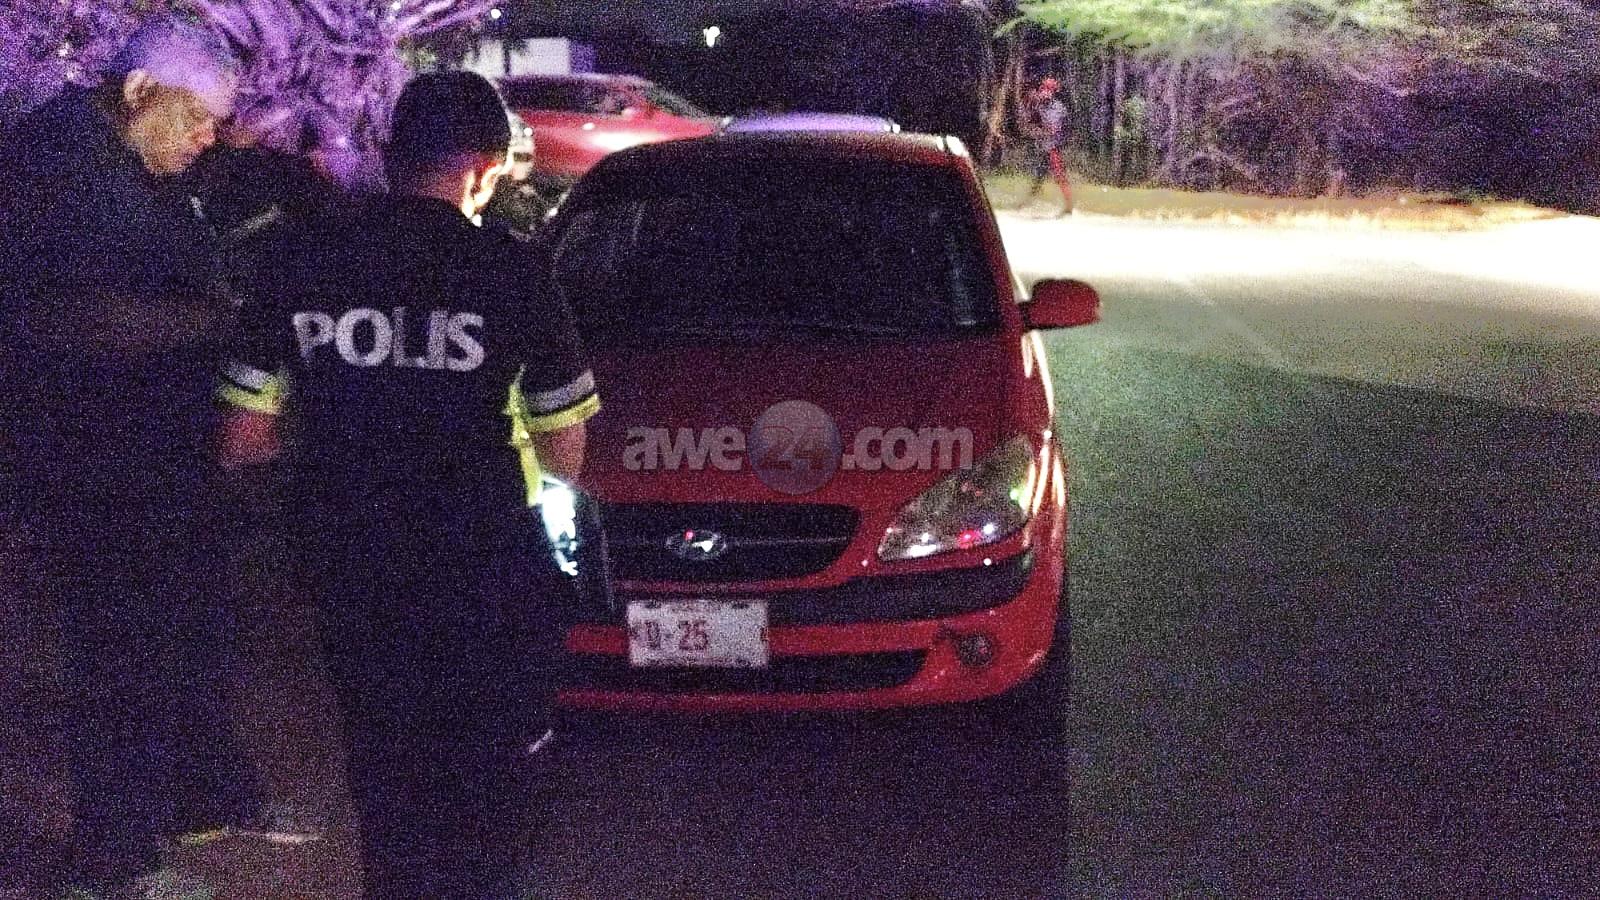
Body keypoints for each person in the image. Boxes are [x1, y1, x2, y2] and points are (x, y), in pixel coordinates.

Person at [217, 71, 600, 899]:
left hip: (345, 556)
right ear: (483, 171)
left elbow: (242, 438)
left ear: (392, 156)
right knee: (484, 776)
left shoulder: (300, 262)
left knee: (382, 762)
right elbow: (564, 443)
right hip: (478, 559)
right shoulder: (510, 270)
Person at [0, 17, 263, 900]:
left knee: (157, 643)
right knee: (117, 655)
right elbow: (72, 318)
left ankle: (166, 817)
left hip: (138, 461)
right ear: (141, 91)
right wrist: (217, 320)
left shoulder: (121, 164)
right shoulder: (62, 165)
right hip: (98, 465)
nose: (207, 137)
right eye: (196, 117)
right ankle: (112, 860)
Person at [1021, 76, 1074, 216]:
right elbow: (1028, 120)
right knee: (1039, 176)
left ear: (1052, 92)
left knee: (1059, 176)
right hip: (1044, 146)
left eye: (1047, 89)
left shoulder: (1057, 108)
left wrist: (1037, 131)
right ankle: (1028, 202)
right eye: (1042, 88)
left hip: (1054, 147)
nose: (1043, 91)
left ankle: (1069, 207)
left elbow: (1052, 130)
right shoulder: (1039, 105)